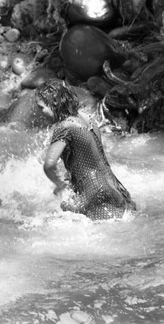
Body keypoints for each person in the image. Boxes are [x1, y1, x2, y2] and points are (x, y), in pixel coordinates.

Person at [35, 79, 136, 220]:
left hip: (95, 195)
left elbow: (49, 165)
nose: (40, 113)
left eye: (41, 108)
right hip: (116, 189)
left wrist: (59, 185)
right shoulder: (89, 119)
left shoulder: (64, 127)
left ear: (54, 104)